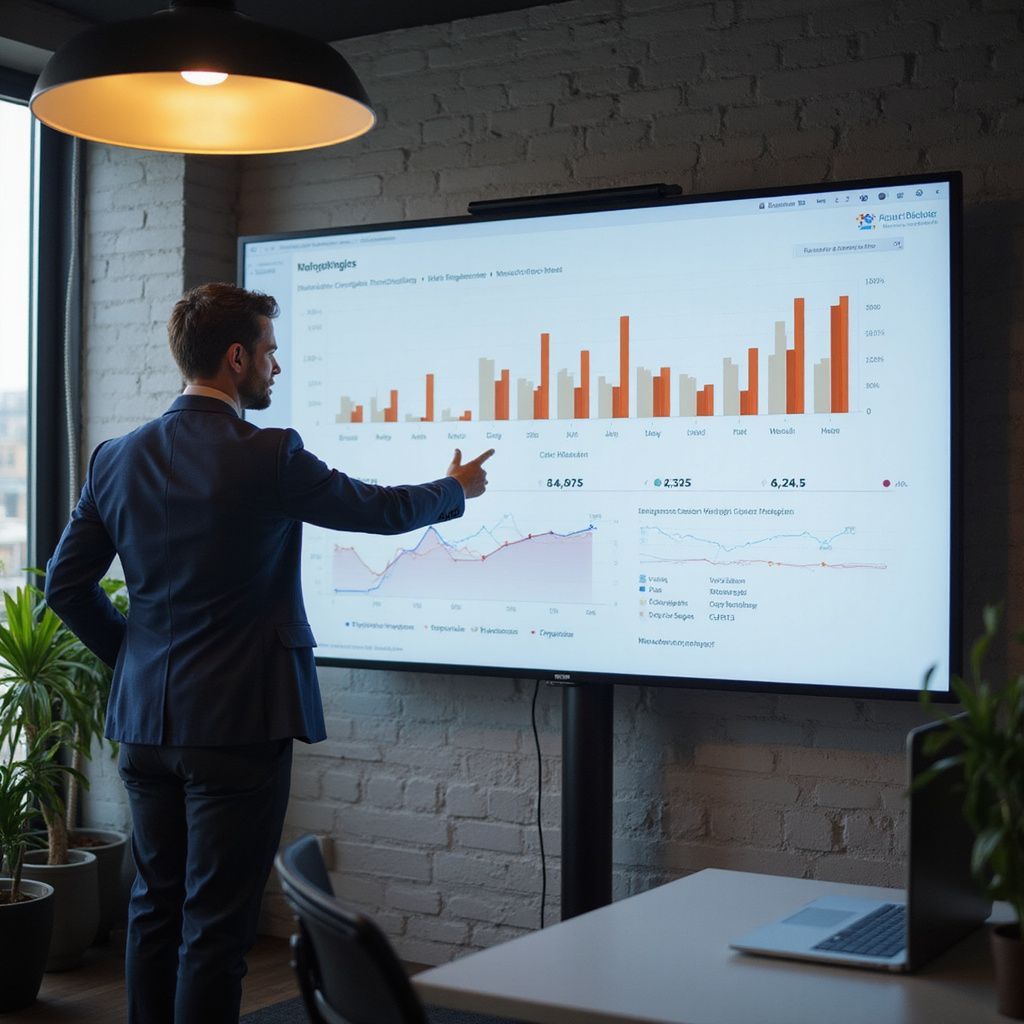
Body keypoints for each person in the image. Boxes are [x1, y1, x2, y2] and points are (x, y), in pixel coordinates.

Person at [44, 282, 494, 1024]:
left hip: (146, 729)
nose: (276, 368)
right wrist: (453, 489)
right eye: (270, 352)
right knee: (215, 926)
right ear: (235, 357)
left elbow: (66, 587)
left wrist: (134, 661)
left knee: (154, 909)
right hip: (236, 725)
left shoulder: (114, 458)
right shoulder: (268, 455)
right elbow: (377, 510)